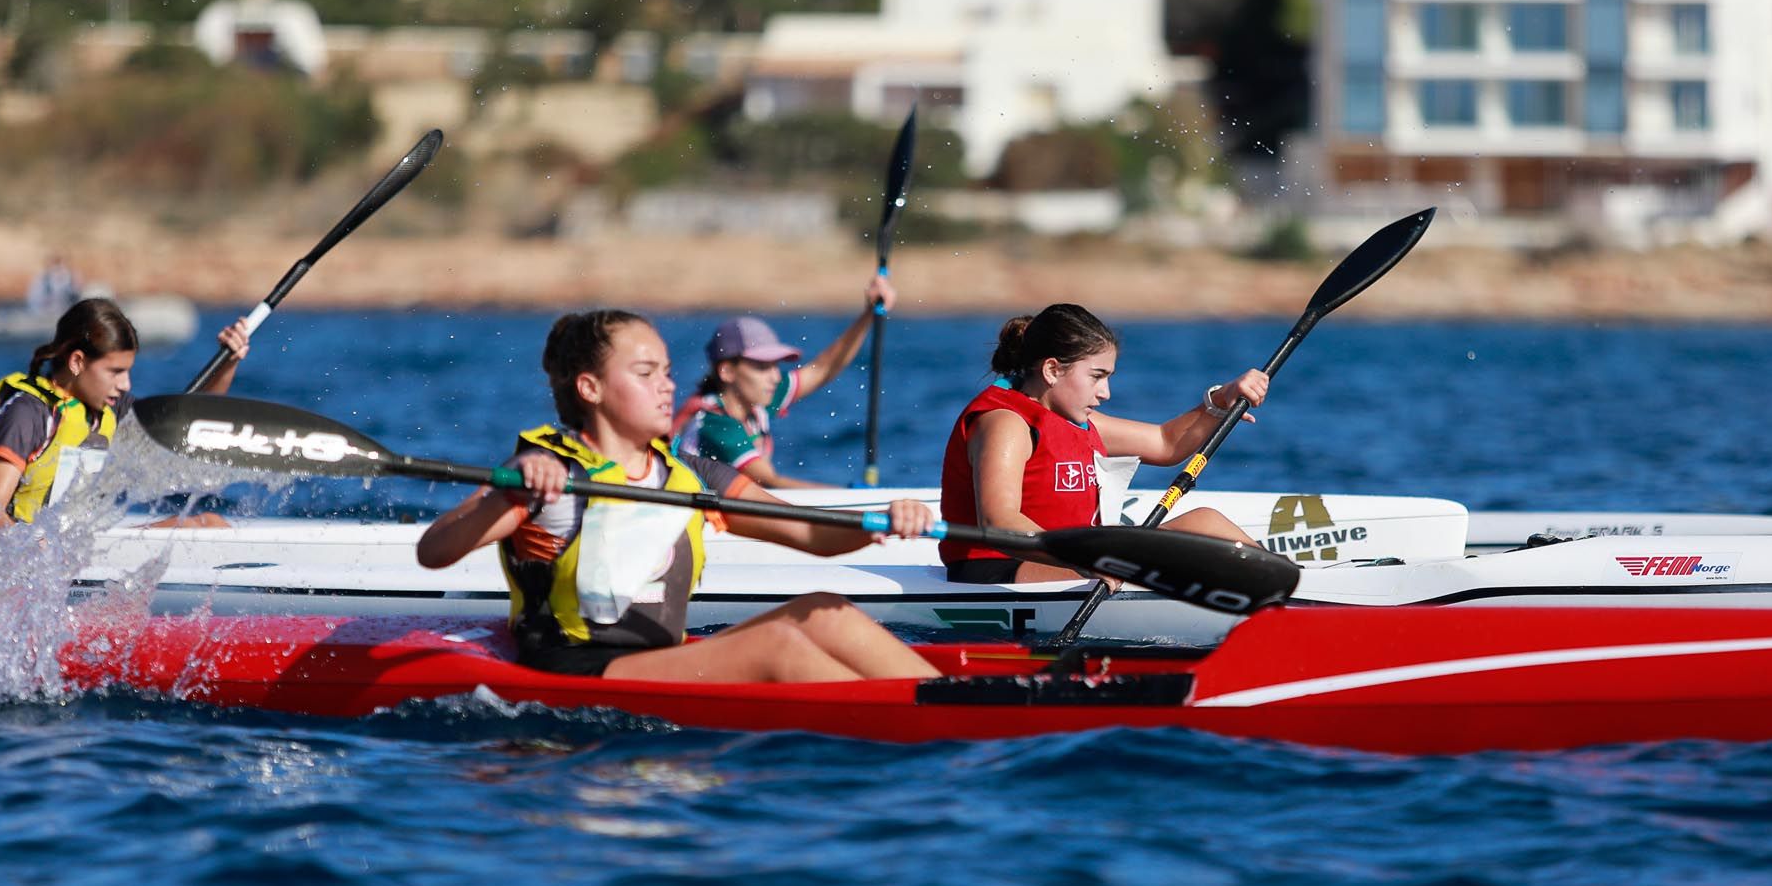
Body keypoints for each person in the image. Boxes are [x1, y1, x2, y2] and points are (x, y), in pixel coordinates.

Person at [415, 308, 940, 683]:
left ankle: (959, 702)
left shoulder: (692, 475)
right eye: (645, 374)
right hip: (576, 670)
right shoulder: (545, 469)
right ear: (590, 388)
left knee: (826, 612)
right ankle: (927, 720)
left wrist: (880, 520)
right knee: (778, 645)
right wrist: (504, 497)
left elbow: (809, 532)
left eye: (667, 372)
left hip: (657, 658)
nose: (667, 386)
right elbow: (434, 550)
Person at [940, 303, 1270, 584]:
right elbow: (1000, 523)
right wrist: (1088, 560)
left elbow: (1166, 443)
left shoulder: (1078, 423)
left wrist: (1220, 401)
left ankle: (1291, 588)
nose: (1105, 393)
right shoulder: (1005, 423)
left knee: (1204, 521)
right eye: (1097, 376)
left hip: (1071, 561)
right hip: (999, 572)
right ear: (1053, 370)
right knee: (1185, 540)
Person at [0, 298, 251, 528]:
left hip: (82, 548)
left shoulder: (113, 410)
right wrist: (36, 553)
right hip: (29, 557)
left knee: (209, 524)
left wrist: (227, 363)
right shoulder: (27, 415)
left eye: (127, 371)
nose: (125, 384)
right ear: (78, 362)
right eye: (115, 372)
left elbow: (188, 429)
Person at [672, 274, 896, 488]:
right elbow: (770, 481)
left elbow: (823, 369)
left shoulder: (756, 401)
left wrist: (868, 315)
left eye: (775, 365)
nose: (775, 376)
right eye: (762, 366)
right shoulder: (714, 422)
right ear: (727, 372)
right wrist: (851, 494)